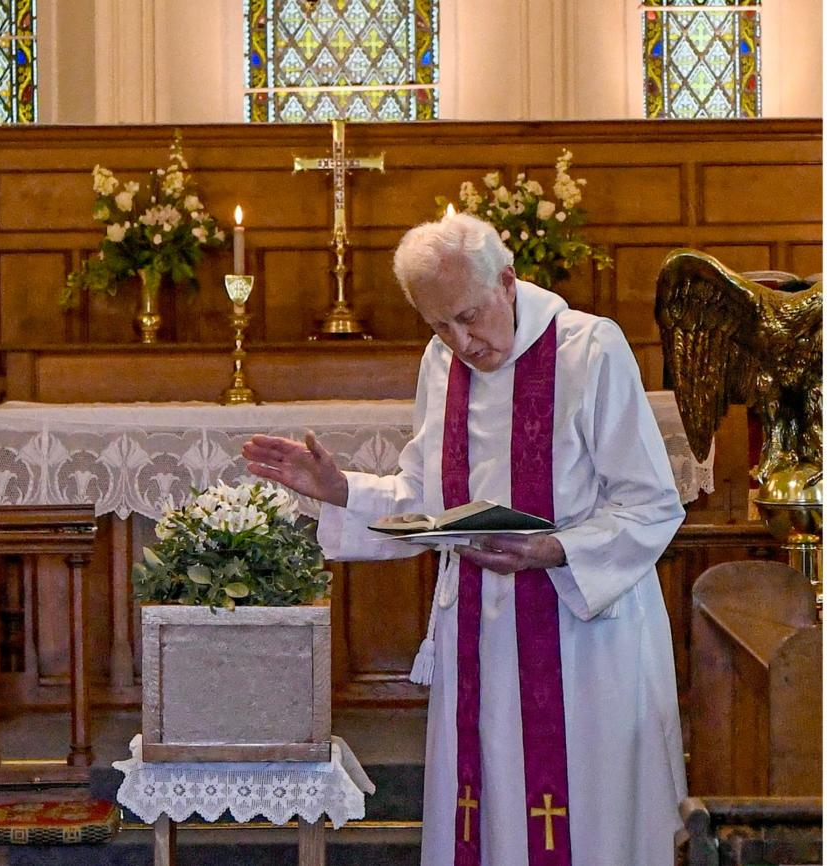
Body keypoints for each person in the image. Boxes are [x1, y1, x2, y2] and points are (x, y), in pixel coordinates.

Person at [243, 212, 687, 866]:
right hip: (481, 635)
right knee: (492, 815)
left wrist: (554, 549)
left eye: (469, 316)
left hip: (583, 635)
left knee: (591, 823)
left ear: (507, 282)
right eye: (438, 325)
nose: (461, 341)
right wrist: (341, 490)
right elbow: (431, 504)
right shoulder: (442, 364)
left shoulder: (588, 350)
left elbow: (651, 503)